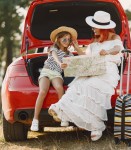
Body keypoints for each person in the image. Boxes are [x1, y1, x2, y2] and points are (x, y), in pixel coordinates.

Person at [48, 11, 124, 141]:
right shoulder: (94, 40)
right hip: (91, 68)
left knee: (90, 86)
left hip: (107, 70)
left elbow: (118, 48)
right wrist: (77, 47)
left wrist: (107, 51)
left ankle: (97, 126)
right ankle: (61, 107)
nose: (93, 29)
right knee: (77, 85)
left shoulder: (114, 37)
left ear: (103, 27)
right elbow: (86, 57)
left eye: (95, 26)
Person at [30, 26, 78, 131]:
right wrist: (60, 63)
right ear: (59, 39)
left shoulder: (69, 54)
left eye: (68, 39)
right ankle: (35, 119)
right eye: (64, 39)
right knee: (42, 91)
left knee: (59, 88)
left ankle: (63, 116)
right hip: (46, 72)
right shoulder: (53, 48)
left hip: (56, 74)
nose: (66, 41)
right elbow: (55, 56)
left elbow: (76, 62)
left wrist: (77, 47)